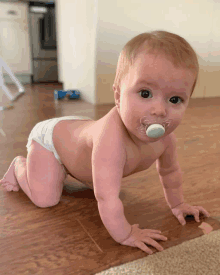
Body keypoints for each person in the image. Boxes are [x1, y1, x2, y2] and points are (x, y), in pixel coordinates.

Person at [0, 30, 210, 255]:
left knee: (102, 177)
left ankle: (64, 168)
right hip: (52, 141)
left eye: (175, 99)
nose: (159, 110)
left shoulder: (166, 139)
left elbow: (170, 173)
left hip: (78, 130)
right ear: (118, 96)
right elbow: (106, 197)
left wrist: (178, 204)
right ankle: (20, 165)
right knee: (46, 199)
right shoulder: (110, 140)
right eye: (145, 93)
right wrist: (126, 233)